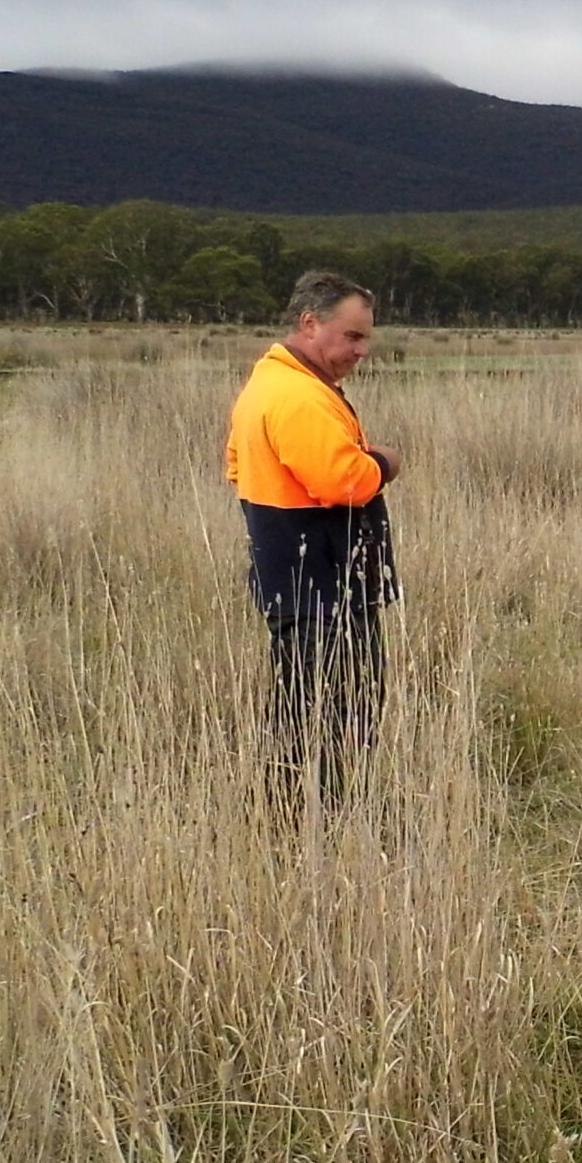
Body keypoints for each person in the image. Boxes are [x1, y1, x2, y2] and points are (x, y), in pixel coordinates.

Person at [224, 273, 401, 800]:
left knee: (302, 712)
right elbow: (343, 481)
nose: (362, 350)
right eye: (352, 336)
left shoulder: (268, 384)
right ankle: (320, 821)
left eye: (366, 338)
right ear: (309, 324)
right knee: (334, 715)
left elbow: (235, 464)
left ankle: (295, 816)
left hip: (294, 584)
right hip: (321, 591)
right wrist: (386, 463)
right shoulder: (299, 396)